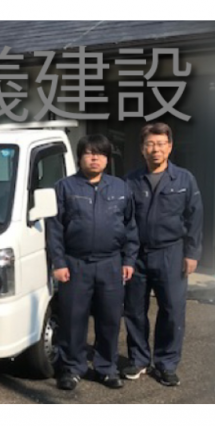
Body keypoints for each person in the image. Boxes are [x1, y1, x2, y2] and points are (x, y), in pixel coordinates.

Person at [47, 134, 138, 391]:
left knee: (110, 319)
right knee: (73, 319)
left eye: (100, 153)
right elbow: (54, 228)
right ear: (80, 157)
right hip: (76, 264)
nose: (94, 158)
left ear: (107, 159)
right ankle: (72, 368)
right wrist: (59, 262)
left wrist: (129, 260)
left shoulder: (120, 188)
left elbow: (131, 227)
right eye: (89, 153)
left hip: (111, 263)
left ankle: (106, 368)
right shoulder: (64, 187)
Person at [123, 123, 203, 386]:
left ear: (169, 147)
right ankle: (138, 359)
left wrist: (192, 253)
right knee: (134, 310)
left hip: (171, 252)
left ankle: (166, 363)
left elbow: (195, 217)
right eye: (150, 144)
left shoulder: (184, 179)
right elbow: (124, 219)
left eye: (160, 144)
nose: (155, 149)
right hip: (137, 255)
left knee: (172, 310)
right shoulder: (131, 181)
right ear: (142, 148)